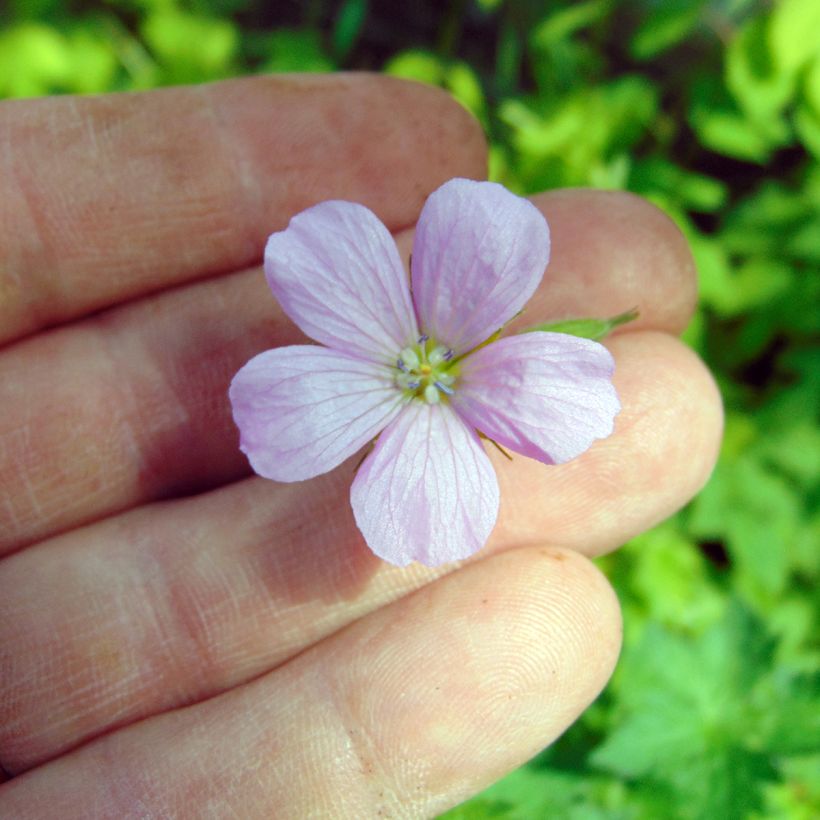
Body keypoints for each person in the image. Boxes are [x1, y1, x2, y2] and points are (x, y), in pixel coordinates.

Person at [0, 74, 722, 817]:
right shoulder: (387, 329)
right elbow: (344, 323)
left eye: (436, 365)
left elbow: (484, 382)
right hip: (375, 373)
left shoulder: (478, 349)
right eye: (428, 363)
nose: (428, 367)